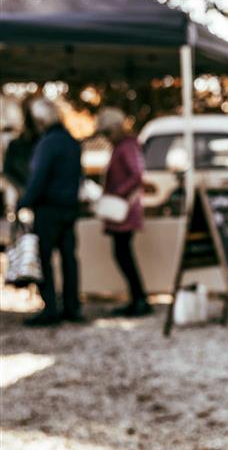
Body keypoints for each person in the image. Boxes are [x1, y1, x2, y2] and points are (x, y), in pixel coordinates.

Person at [17, 98, 83, 327]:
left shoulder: (48, 143)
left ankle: (51, 309)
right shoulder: (71, 142)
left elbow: (38, 179)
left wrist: (23, 202)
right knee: (69, 259)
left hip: (49, 209)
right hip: (69, 207)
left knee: (44, 259)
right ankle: (72, 306)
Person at [95, 107, 151, 317]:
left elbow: (136, 175)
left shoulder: (127, 146)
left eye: (107, 133)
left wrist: (117, 193)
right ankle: (137, 297)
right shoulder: (122, 146)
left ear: (116, 128)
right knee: (122, 254)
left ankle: (139, 298)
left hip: (124, 210)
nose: (106, 138)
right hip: (121, 209)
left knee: (123, 254)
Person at [3, 100, 38, 201]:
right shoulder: (15, 145)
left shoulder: (42, 143)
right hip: (22, 193)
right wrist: (21, 188)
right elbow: (8, 170)